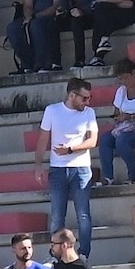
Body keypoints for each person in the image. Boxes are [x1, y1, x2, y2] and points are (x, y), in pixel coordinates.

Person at [40, 76, 99, 243]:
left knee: (83, 214)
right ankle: (56, 253)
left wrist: (70, 150)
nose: (87, 102)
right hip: (57, 168)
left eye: (89, 98)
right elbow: (43, 139)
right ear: (72, 95)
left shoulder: (89, 113)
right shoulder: (52, 110)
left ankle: (84, 253)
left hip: (81, 168)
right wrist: (38, 165)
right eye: (84, 98)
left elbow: (92, 141)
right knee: (57, 215)